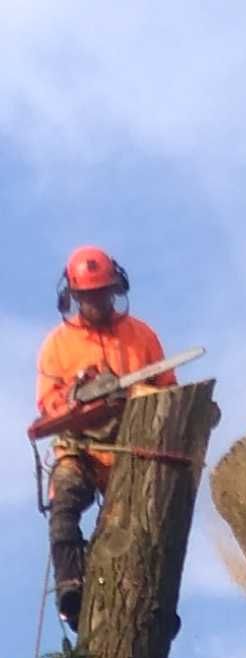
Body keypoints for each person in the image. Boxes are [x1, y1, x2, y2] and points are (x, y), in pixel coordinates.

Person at [36, 245, 176, 631]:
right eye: (89, 296)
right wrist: (75, 395)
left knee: (145, 528)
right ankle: (71, 587)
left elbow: (170, 392)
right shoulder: (58, 346)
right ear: (74, 296)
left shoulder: (141, 336)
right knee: (62, 508)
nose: (97, 302)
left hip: (134, 449)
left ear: (115, 288)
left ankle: (154, 605)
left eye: (102, 293)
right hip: (82, 448)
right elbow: (47, 404)